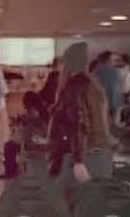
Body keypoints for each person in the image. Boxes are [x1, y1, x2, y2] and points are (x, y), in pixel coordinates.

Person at [46, 41, 115, 185]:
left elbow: (79, 123)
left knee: (68, 197)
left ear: (68, 63)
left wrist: (78, 160)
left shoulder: (74, 88)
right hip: (102, 154)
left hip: (83, 158)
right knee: (98, 197)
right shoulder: (95, 87)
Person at [91, 50, 124, 123]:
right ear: (107, 59)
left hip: (114, 98)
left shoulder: (114, 70)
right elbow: (94, 83)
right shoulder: (98, 70)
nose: (113, 61)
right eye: (112, 59)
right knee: (107, 120)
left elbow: (119, 83)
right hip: (106, 98)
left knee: (114, 120)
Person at [114, 53, 130, 126]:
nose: (118, 62)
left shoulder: (127, 69)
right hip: (122, 91)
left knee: (127, 107)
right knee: (120, 108)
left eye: (120, 60)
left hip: (127, 90)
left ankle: (127, 121)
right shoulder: (118, 70)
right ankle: (120, 122)